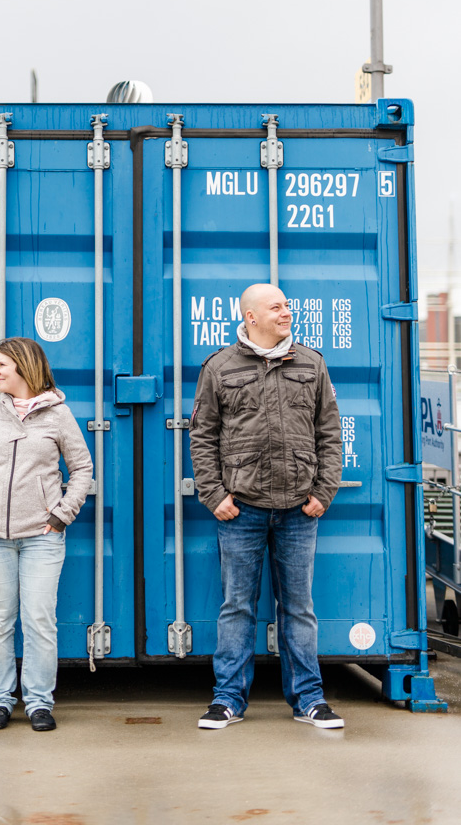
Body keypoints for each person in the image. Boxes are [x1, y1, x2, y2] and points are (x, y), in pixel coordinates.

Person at [190, 283, 344, 730]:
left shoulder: (311, 363)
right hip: (243, 509)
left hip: (300, 507)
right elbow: (202, 436)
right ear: (251, 316)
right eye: (276, 306)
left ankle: (309, 700)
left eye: (288, 305)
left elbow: (329, 434)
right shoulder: (220, 367)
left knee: (298, 606)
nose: (286, 312)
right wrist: (214, 495)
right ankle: (228, 700)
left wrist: (324, 491)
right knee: (237, 606)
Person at [0, 336, 93, 731]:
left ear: (23, 367)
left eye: (1, 365)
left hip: (42, 536)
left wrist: (62, 514)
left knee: (39, 620)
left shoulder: (58, 415)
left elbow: (82, 469)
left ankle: (38, 704)